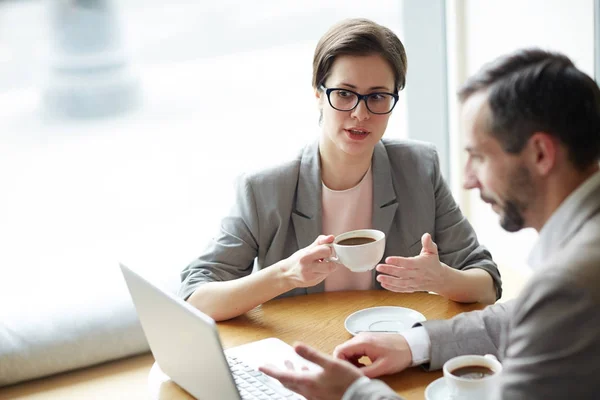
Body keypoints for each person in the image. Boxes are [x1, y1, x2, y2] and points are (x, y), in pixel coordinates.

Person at [259, 48, 600, 399]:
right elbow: (524, 315)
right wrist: (413, 343)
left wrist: (353, 393)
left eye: (478, 157)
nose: (468, 179)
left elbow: (545, 303)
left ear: (541, 154)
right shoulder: (573, 274)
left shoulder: (570, 282)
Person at [178, 18, 501, 322]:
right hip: (303, 354)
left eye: (377, 96)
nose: (360, 114)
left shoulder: (418, 168)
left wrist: (443, 278)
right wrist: (284, 275)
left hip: (392, 348)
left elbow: (486, 283)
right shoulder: (265, 188)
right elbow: (195, 298)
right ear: (319, 94)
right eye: (344, 94)